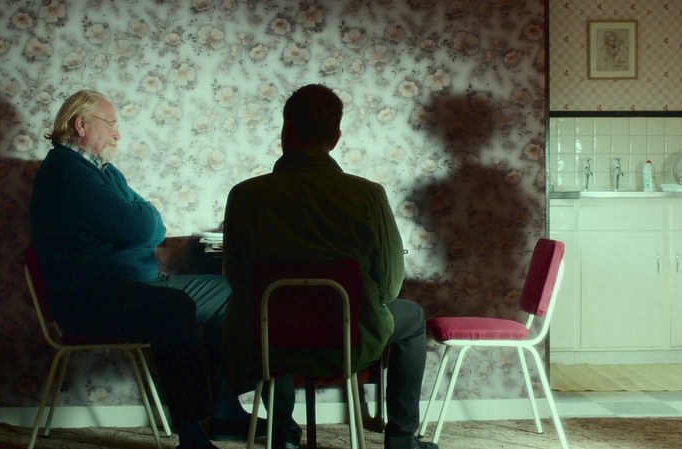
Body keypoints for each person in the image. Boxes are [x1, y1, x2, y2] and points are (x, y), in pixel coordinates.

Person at [29, 89, 260, 449]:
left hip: (143, 283)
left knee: (230, 293)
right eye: (111, 124)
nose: (117, 133)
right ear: (81, 124)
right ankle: (192, 432)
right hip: (93, 298)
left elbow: (153, 225)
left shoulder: (104, 171)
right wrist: (143, 221)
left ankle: (225, 410)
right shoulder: (66, 172)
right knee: (174, 309)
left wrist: (143, 221)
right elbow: (139, 228)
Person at [221, 84, 439, 449]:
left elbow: (236, 278)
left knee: (266, 314)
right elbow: (390, 286)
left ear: (286, 130)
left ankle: (282, 433)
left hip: (269, 343)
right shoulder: (368, 196)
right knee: (413, 318)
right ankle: (401, 441)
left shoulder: (244, 195)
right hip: (348, 341)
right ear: (336, 138)